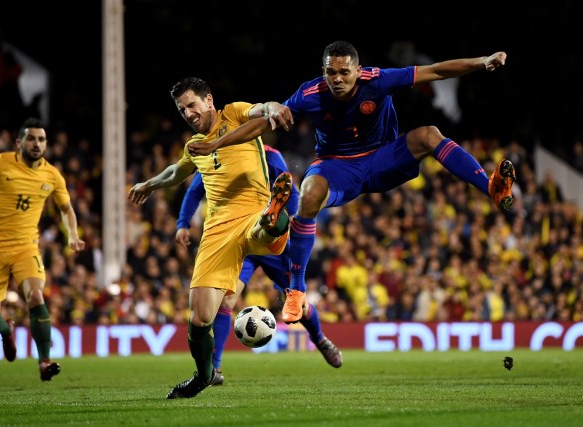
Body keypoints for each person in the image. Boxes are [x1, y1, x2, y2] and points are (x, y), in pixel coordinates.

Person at [188, 41, 516, 324]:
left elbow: (436, 71)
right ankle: (297, 289)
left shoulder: (378, 80)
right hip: (338, 168)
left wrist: (481, 61)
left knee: (429, 134)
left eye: (345, 72)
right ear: (324, 71)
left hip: (383, 157)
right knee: (309, 192)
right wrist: (217, 144)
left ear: (358, 71)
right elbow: (263, 124)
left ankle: (490, 186)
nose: (338, 79)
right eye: (332, 73)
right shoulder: (309, 94)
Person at [128, 77, 294, 399]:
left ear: (209, 100)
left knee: (264, 227)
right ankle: (204, 375)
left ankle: (273, 215)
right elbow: (176, 172)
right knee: (200, 316)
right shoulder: (194, 146)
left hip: (251, 212)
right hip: (217, 230)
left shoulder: (233, 113)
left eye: (192, 105)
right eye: (182, 110)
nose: (188, 113)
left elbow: (262, 110)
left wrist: (274, 106)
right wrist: (148, 184)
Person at [176, 144, 343, 385]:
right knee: (226, 299)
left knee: (297, 301)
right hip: (239, 241)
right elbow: (194, 191)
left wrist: (292, 225)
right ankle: (217, 368)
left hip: (269, 240)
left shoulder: (269, 155)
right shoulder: (216, 156)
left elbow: (291, 191)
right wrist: (183, 222)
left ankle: (320, 339)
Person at [0, 117, 85, 381]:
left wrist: (72, 235)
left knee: (36, 295)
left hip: (26, 247)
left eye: (42, 139)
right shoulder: (1, 163)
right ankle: (6, 329)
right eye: (32, 138)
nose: (37, 144)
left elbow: (66, 209)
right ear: (19, 142)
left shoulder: (52, 175)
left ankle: (44, 361)